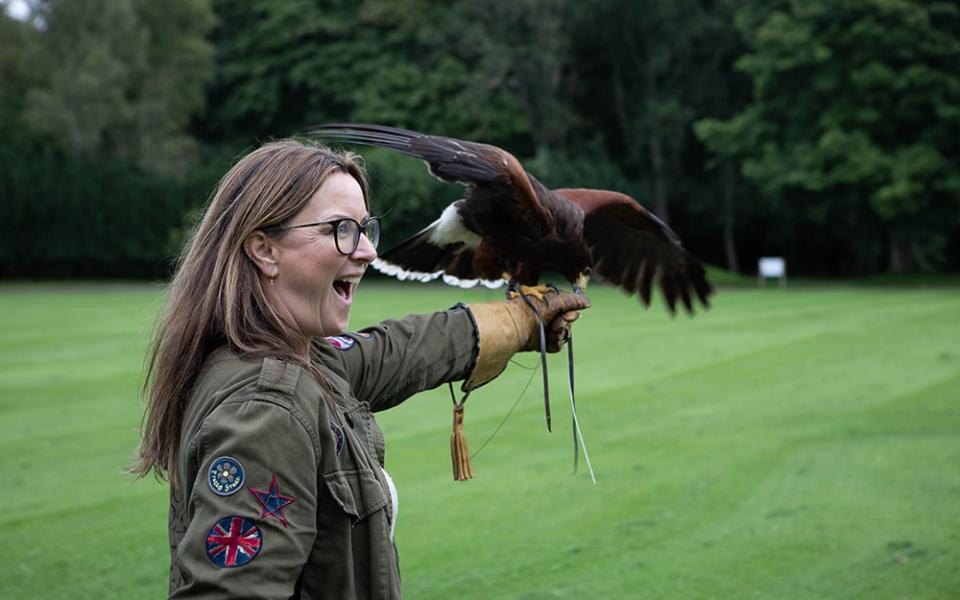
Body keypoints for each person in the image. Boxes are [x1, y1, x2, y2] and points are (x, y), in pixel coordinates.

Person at [133, 139, 589, 599]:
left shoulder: (292, 357)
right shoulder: (266, 410)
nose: (368, 251)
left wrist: (518, 322)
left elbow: (393, 351)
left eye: (366, 229)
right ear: (264, 250)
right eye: (341, 230)